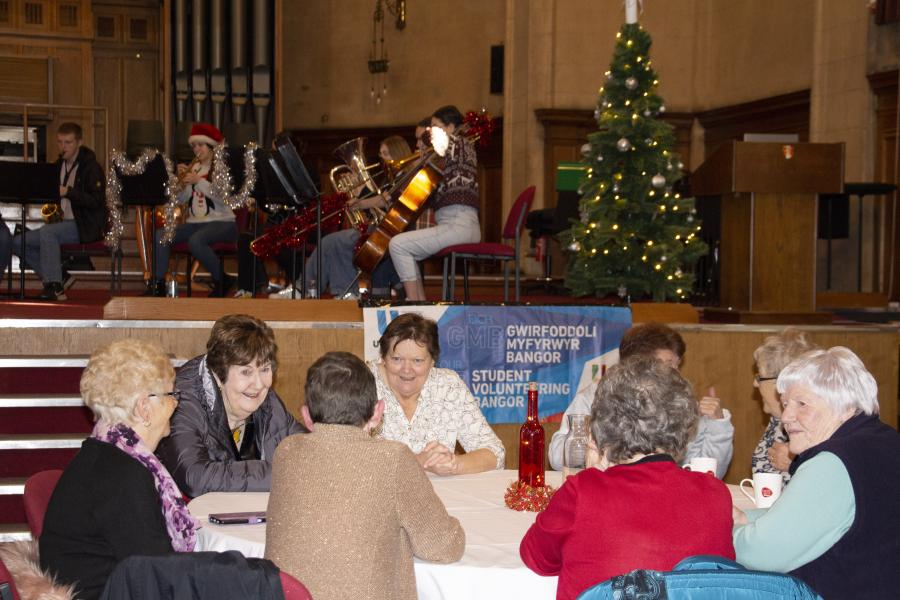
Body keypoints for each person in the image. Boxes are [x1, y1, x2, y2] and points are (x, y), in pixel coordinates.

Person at [521, 355, 735, 600]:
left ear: (603, 424)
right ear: (684, 425)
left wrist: (596, 474)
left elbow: (536, 558)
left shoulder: (583, 491)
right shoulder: (715, 493)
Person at [266, 351, 465, 600]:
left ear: (306, 416)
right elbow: (443, 546)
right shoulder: (393, 458)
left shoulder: (286, 451)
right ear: (378, 412)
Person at [733, 346, 900, 598]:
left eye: (802, 404)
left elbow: (760, 554)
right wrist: (748, 518)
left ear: (845, 407)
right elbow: (825, 515)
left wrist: (720, 527)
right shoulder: (885, 440)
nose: (786, 416)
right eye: (785, 403)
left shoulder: (833, 462)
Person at [39, 339, 196, 600]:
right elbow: (156, 577)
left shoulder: (106, 455)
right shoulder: (123, 474)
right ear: (144, 408)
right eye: (170, 395)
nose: (175, 404)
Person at [549, 322, 734, 477]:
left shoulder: (681, 405)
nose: (676, 374)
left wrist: (717, 425)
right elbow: (557, 458)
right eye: (668, 365)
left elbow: (707, 473)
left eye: (678, 365)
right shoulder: (593, 398)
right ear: (637, 366)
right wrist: (598, 434)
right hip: (609, 496)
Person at [156, 314, 304, 496]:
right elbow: (195, 477)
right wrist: (284, 474)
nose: (258, 384)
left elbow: (310, 452)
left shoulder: (264, 399)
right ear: (218, 374)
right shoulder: (183, 400)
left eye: (265, 369)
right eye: (246, 372)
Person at [274, 135, 410, 300]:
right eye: (381, 154)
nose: (382, 158)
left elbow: (388, 202)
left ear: (399, 154)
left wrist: (361, 196)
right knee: (331, 242)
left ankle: (334, 291)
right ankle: (312, 289)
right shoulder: (390, 178)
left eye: (386, 153)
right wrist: (361, 195)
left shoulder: (405, 176)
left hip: (389, 232)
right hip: (380, 229)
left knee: (334, 242)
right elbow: (379, 207)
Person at [373, 313, 505, 474]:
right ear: (383, 358)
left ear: (433, 361)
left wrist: (454, 464)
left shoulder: (448, 386)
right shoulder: (362, 384)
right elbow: (349, 454)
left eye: (417, 361)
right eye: (397, 359)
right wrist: (417, 461)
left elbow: (495, 453)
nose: (406, 370)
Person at [0, 122, 106, 301]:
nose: (63, 147)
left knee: (49, 233)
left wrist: (69, 192)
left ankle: (54, 286)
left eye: (68, 142)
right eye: (60, 142)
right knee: (17, 242)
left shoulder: (91, 167)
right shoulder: (58, 166)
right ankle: (61, 276)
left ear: (79, 142)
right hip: (63, 224)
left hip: (84, 225)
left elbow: (96, 201)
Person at [389, 105, 480, 301]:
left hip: (459, 225)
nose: (431, 131)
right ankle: (420, 304)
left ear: (450, 127)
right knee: (405, 247)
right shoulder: (447, 158)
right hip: (458, 225)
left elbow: (432, 138)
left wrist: (424, 141)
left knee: (398, 245)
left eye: (435, 126)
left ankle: (413, 303)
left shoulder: (460, 144)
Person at [146, 123, 237, 297]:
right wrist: (180, 185)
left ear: (212, 147)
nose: (196, 149)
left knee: (196, 241)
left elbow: (224, 198)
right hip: (196, 223)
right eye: (194, 146)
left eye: (201, 145)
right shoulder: (195, 168)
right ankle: (157, 285)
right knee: (161, 235)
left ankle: (223, 279)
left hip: (223, 221)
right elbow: (184, 199)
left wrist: (198, 181)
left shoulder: (222, 168)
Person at [751, 328, 818, 484]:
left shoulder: (812, 425)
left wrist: (797, 464)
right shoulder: (777, 419)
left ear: (782, 381)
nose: (755, 383)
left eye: (759, 376)